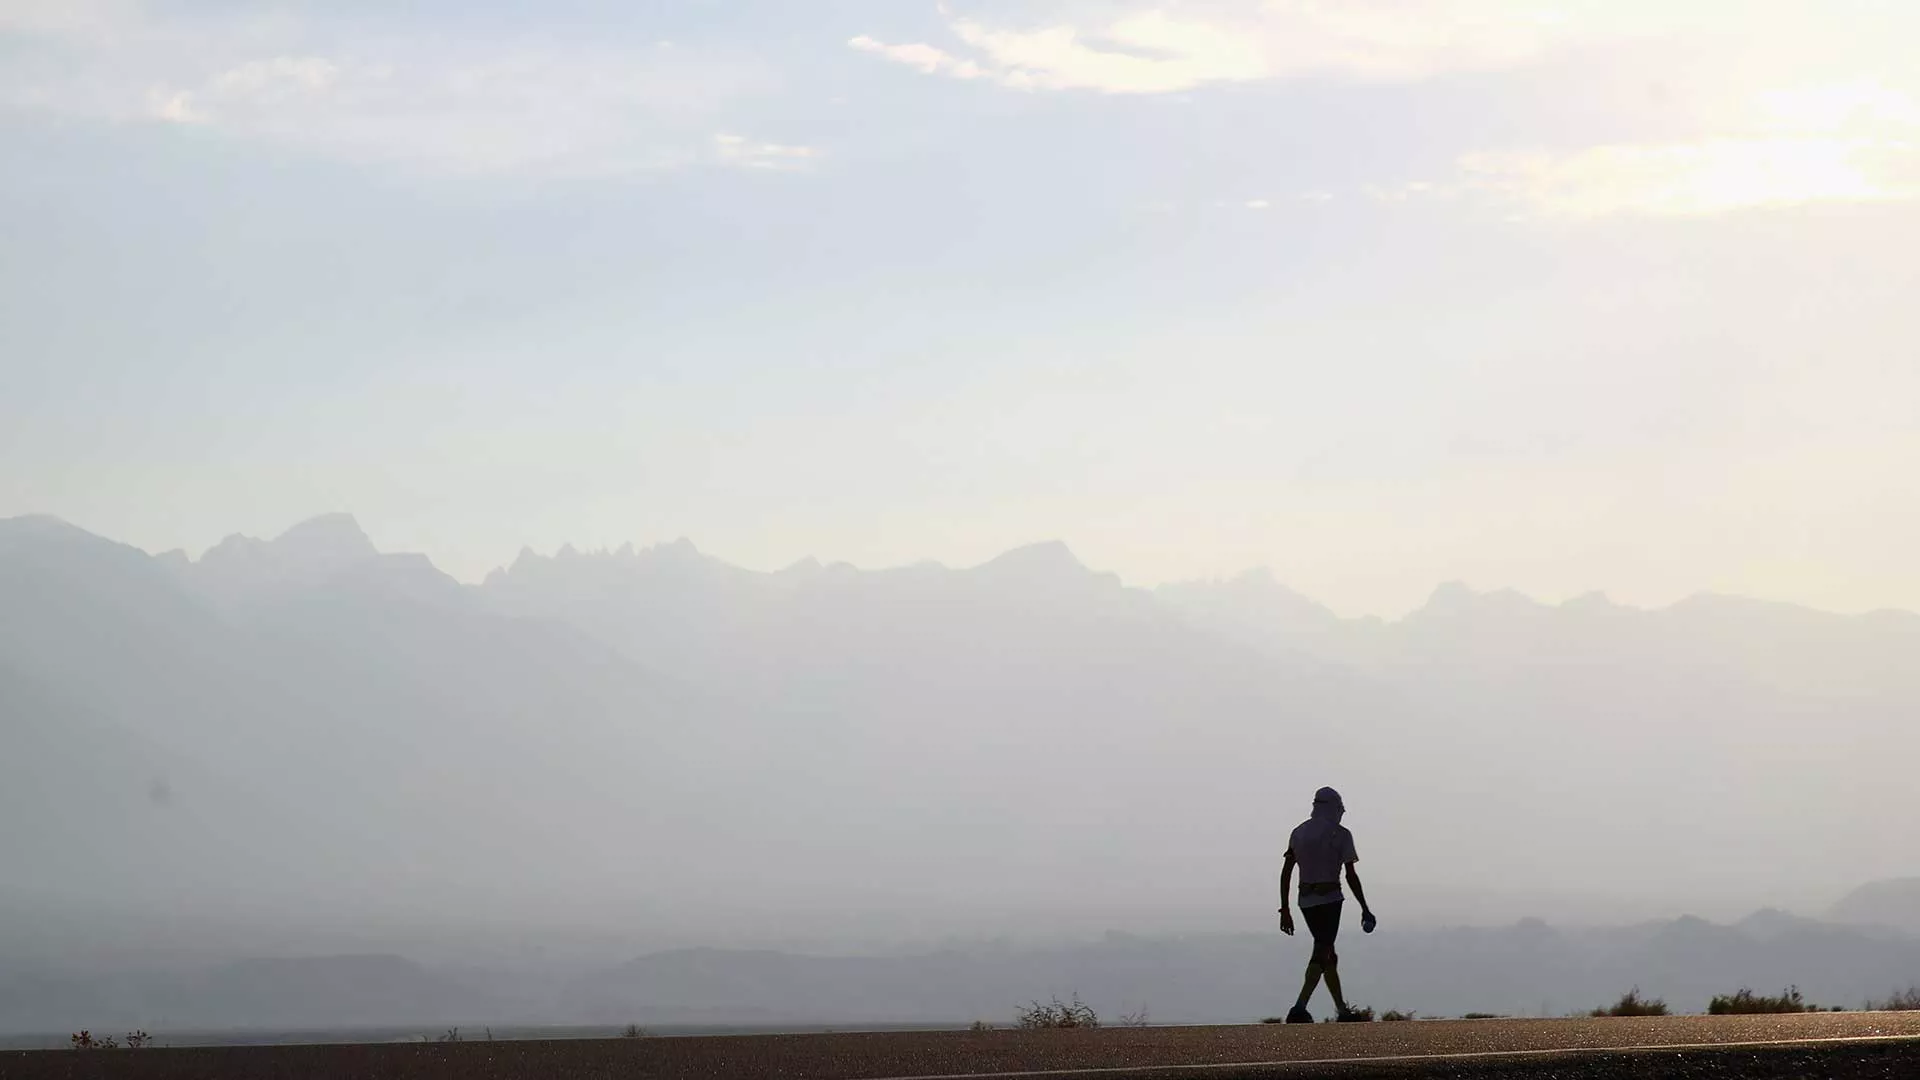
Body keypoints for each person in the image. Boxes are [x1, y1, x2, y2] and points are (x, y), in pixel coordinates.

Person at [1278, 786, 1376, 1023]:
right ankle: (1299, 1007)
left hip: (1305, 901)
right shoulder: (1341, 834)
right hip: (1331, 899)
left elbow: (1286, 872)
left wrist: (1285, 909)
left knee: (1327, 952)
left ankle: (1342, 1009)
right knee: (1323, 949)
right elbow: (1350, 875)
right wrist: (1364, 906)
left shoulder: (1298, 832)